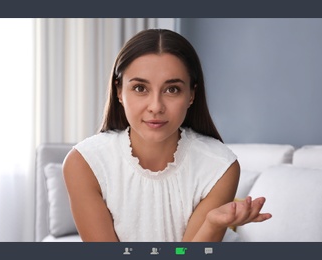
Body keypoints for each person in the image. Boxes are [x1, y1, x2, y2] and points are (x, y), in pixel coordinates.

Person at [63, 28, 271, 242]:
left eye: (172, 90)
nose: (156, 106)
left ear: (191, 94)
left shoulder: (220, 167)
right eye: (140, 88)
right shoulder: (84, 162)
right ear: (119, 91)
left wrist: (212, 225)